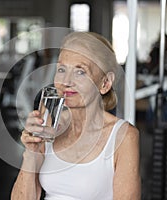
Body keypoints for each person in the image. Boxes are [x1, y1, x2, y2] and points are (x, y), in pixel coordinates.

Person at [11, 31, 141, 200]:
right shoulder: (48, 125)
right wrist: (31, 153)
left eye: (80, 72)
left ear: (105, 83)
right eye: (62, 69)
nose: (66, 81)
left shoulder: (123, 137)